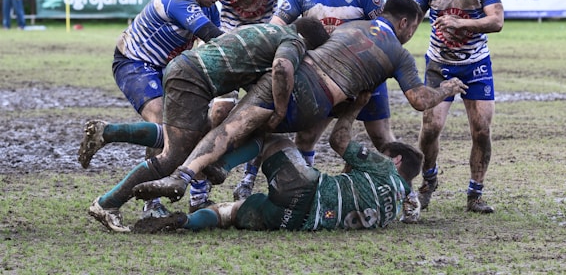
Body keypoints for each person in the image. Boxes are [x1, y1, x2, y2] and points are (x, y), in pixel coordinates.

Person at [132, 0, 469, 217]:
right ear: (407, 24)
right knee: (268, 137)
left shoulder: (352, 26)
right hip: (317, 99)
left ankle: (185, 174)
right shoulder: (397, 52)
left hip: (296, 75)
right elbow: (419, 100)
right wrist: (447, 88)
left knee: (230, 126)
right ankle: (220, 168)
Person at [87, 18, 330, 232]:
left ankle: (109, 132)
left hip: (187, 71)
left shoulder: (267, 30)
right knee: (174, 156)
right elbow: (282, 67)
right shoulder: (294, 41)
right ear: (307, 43)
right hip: (193, 79)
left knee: (189, 139)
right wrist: (280, 108)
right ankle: (107, 203)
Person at [231, 0, 392, 201]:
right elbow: (276, 26)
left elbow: (385, 38)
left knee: (381, 138)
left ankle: (405, 191)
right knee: (305, 137)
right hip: (324, 82)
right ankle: (304, 192)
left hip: (364, 81)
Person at [133, 91, 424, 233]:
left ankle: (220, 165)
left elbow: (339, 142)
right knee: (229, 214)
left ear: (396, 160)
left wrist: (355, 108)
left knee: (266, 134)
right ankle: (186, 222)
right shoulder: (396, 209)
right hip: (294, 222)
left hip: (304, 188)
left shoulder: (385, 168)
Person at [79, 0, 235, 218]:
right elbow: (211, 36)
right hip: (135, 62)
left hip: (166, 70)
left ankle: (195, 193)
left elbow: (214, 49)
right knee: (167, 128)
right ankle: (150, 203)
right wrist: (249, 42)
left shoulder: (208, 7)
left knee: (185, 127)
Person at [198, 0, 302, 206]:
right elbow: (202, 1)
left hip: (269, 38)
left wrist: (281, 23)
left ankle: (248, 178)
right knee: (218, 111)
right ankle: (201, 184)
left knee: (267, 112)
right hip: (231, 41)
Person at [414, 0, 504, 214]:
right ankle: (428, 180)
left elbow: (497, 21)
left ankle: (475, 194)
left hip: (476, 64)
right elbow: (412, 19)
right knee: (431, 128)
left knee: (481, 130)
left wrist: (462, 22)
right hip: (439, 64)